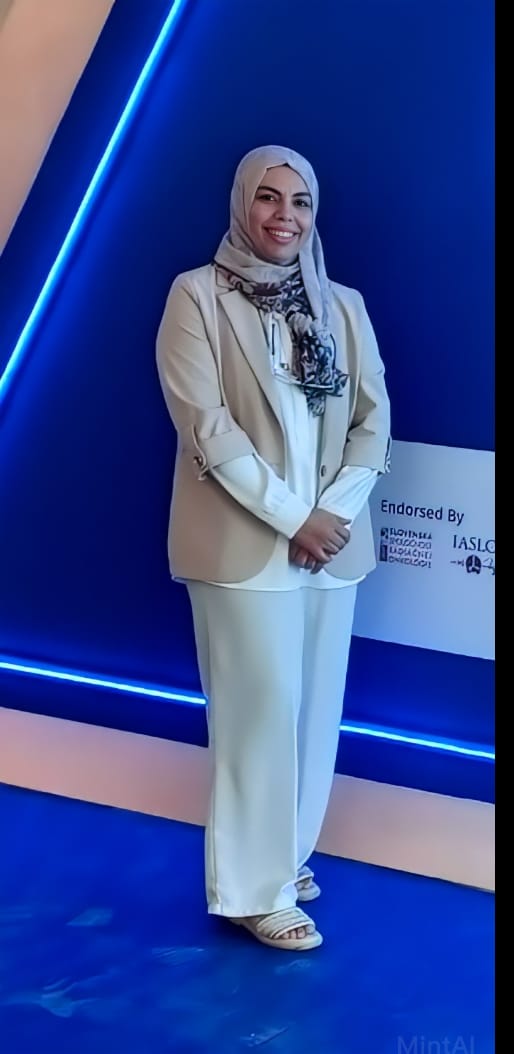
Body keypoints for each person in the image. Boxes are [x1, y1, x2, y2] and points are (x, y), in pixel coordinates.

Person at [156, 145, 391, 951]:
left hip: (332, 543)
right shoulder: (196, 296)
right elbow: (207, 429)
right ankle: (254, 892)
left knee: (314, 713)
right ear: (241, 203)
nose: (284, 216)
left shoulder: (342, 306)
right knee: (257, 715)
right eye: (268, 197)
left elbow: (373, 420)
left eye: (300, 202)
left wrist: (333, 515)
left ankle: (284, 858)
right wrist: (297, 519)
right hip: (245, 542)